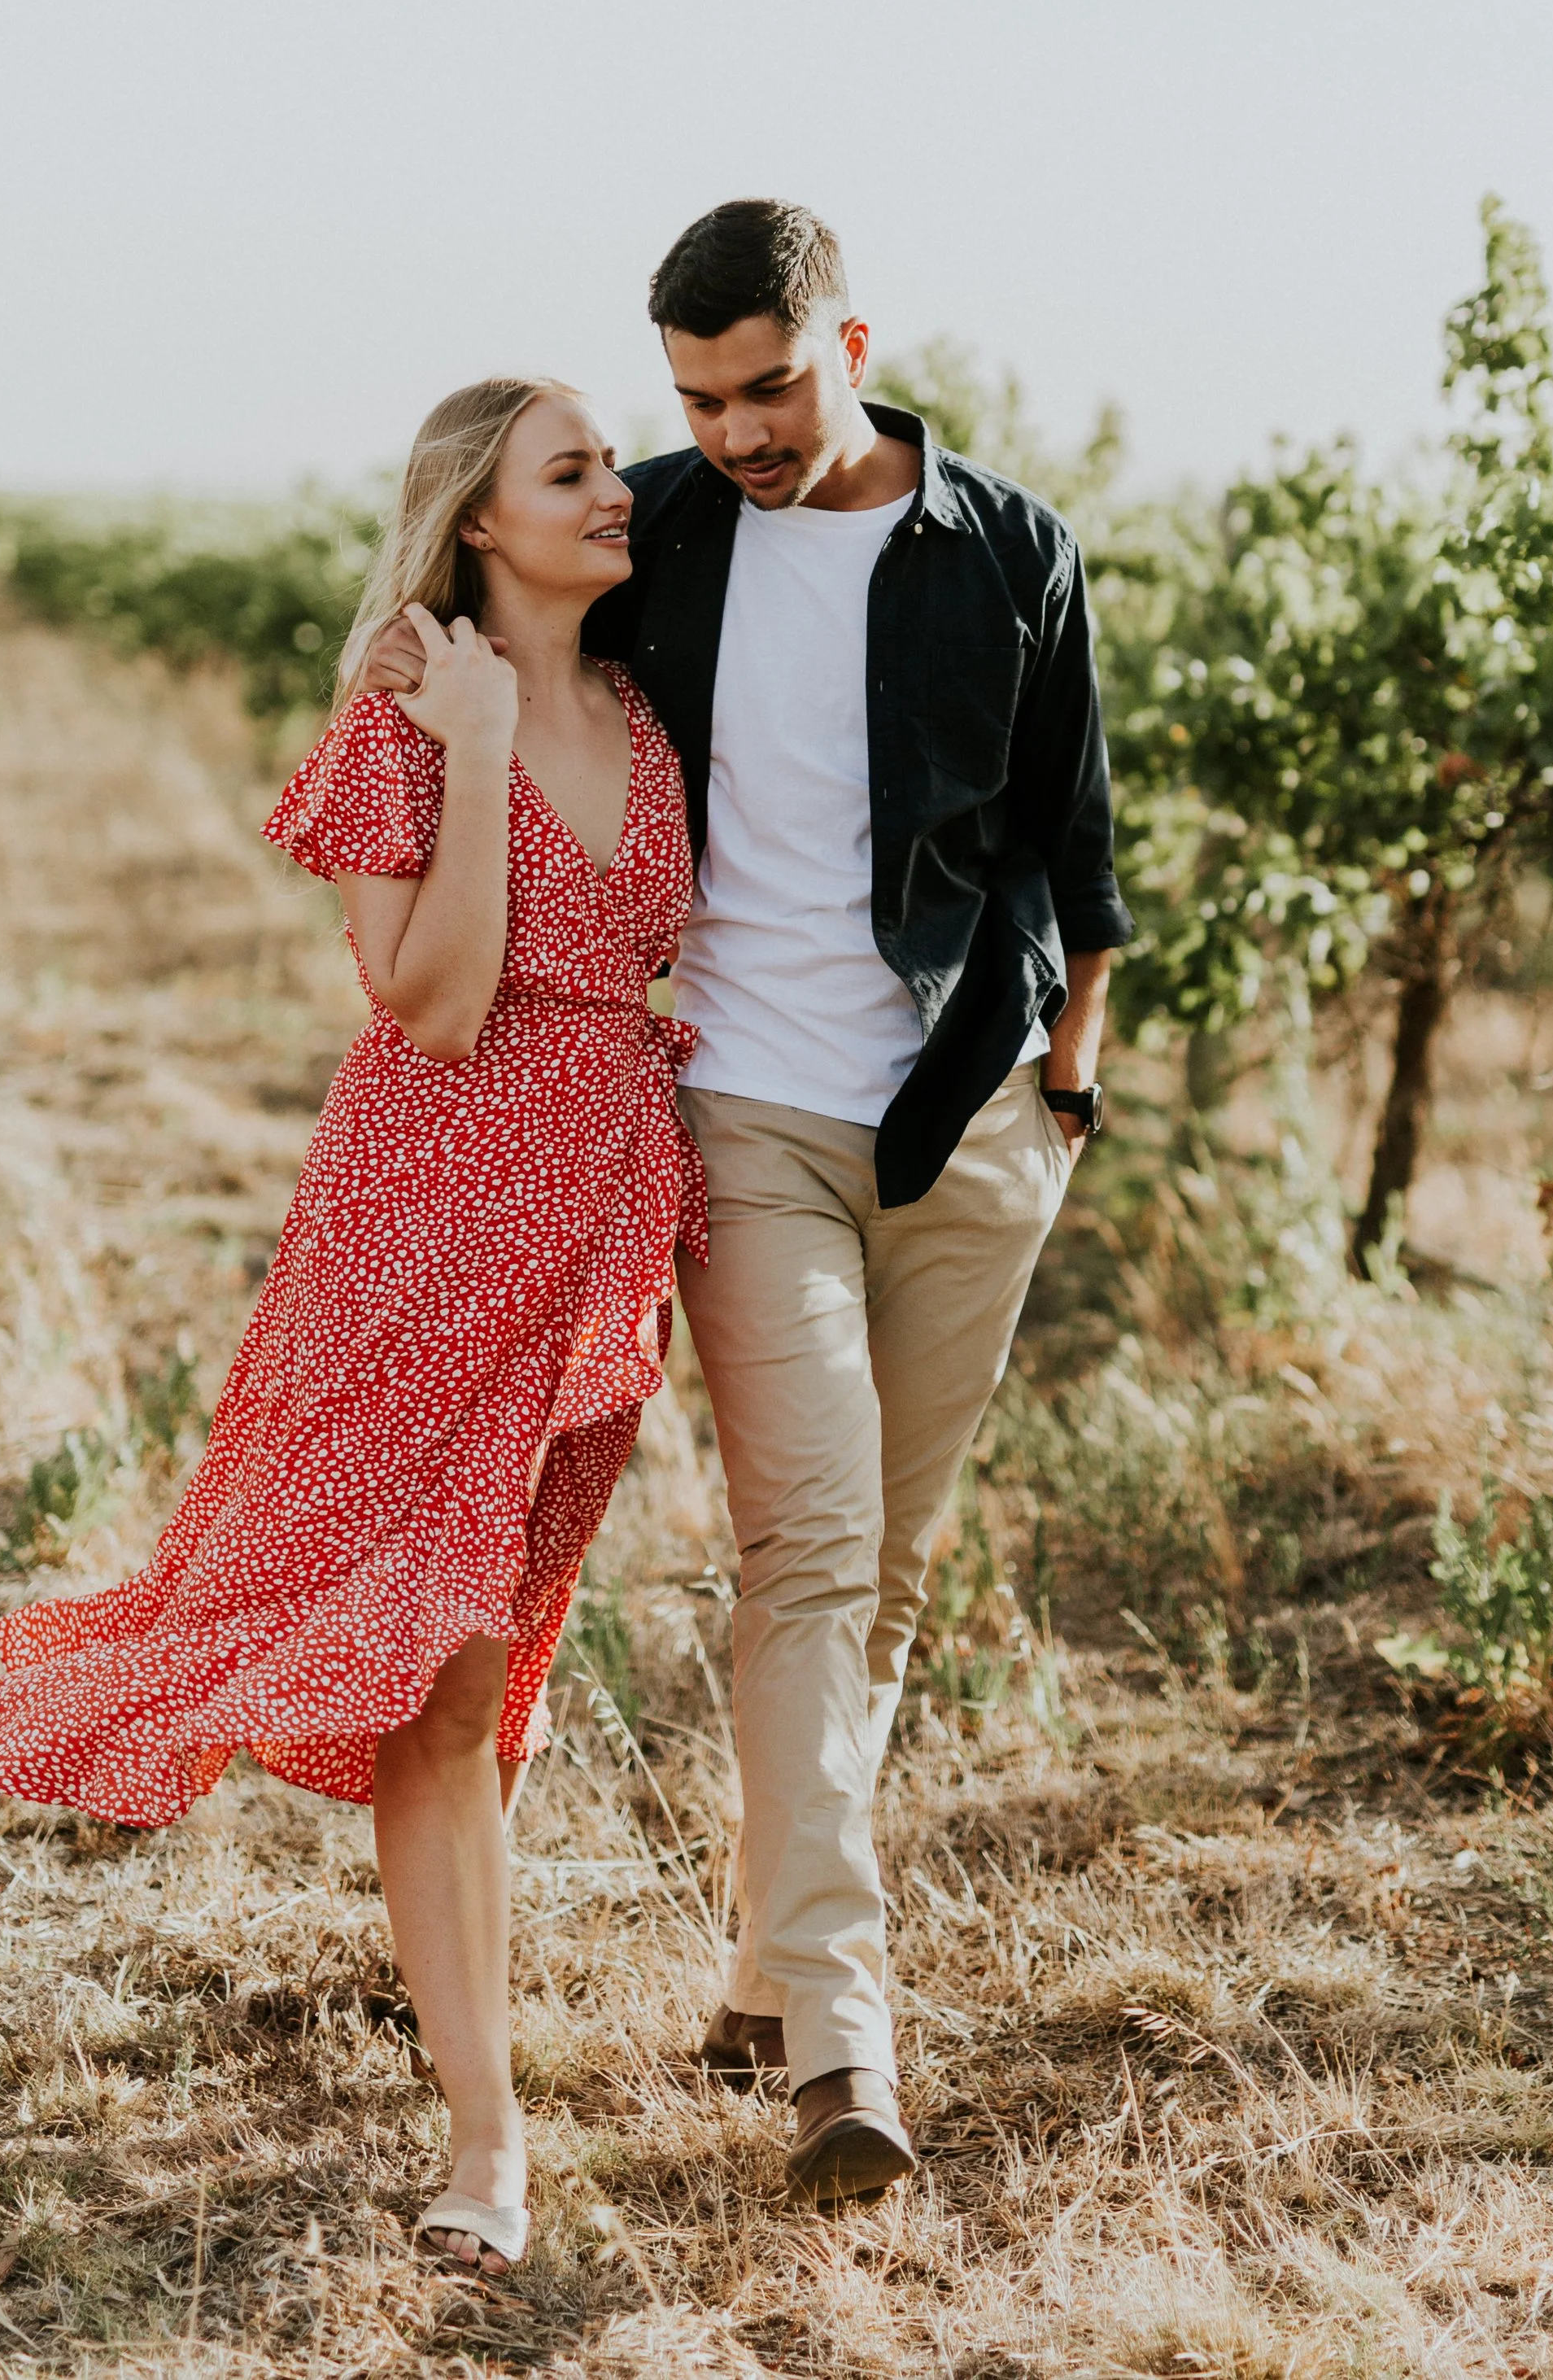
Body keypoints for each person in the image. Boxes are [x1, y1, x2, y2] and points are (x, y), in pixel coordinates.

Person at [369, 200, 1130, 2206]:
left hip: (971, 1125)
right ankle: (844, 2045)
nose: (733, 431)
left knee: (877, 1571)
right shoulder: (665, 532)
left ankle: (758, 1959)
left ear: (848, 339)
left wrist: (1064, 1086)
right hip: (740, 1113)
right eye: (695, 398)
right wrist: (409, 679)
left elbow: (1071, 846)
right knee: (807, 1551)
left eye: (768, 386)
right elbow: (486, 621)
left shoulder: (1009, 552)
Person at [0, 378, 705, 2280]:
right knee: (439, 1676)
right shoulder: (395, 730)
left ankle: (449, 1981)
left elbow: (647, 966)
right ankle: (487, 2136)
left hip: (603, 1224)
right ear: (475, 525)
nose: (618, 490)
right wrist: (461, 751)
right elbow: (438, 1005)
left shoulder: (641, 713)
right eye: (574, 470)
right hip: (426, 1228)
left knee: (491, 1660)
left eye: (613, 460)